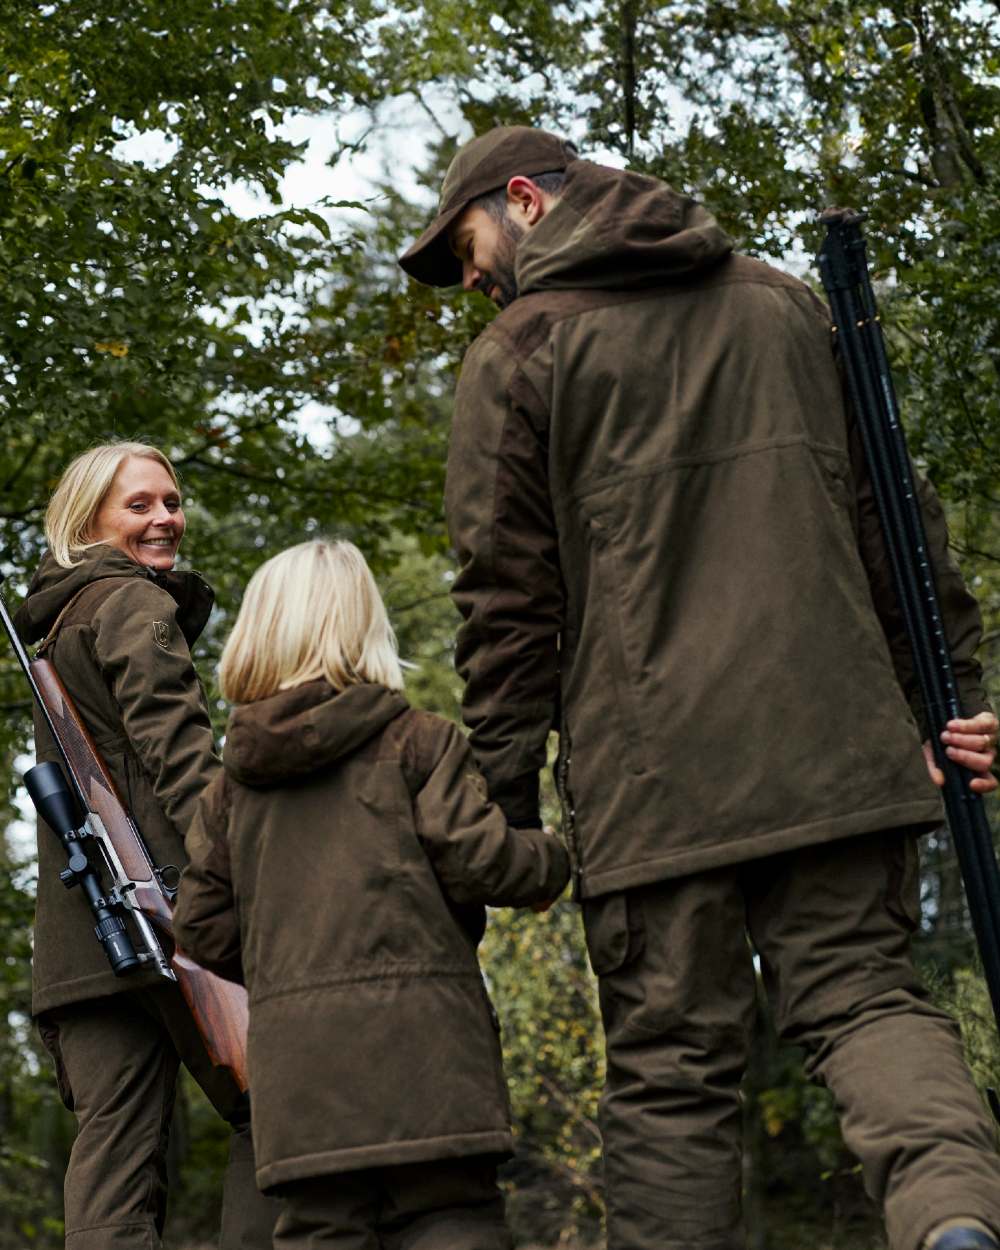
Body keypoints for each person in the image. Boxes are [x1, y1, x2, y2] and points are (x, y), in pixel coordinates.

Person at [398, 125, 1000, 1250]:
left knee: (672, 1073)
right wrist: (947, 701)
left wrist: (503, 806)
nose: (471, 281)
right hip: (836, 751)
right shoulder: (784, 305)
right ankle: (954, 1221)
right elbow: (894, 515)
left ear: (523, 200)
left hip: (652, 781)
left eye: (467, 250)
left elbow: (506, 606)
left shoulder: (520, 356)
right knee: (868, 1003)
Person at [172, 538, 570, 1250]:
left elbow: (200, 928)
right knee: (452, 1225)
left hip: (302, 1084)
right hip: (431, 1064)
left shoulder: (231, 791)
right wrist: (554, 859)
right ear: (365, 627)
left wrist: (285, 965)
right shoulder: (418, 743)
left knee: (321, 1232)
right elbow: (484, 863)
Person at [14, 442, 277, 1250]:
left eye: (171, 501)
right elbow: (182, 757)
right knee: (277, 1115)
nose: (165, 518)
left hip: (84, 945)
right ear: (87, 522)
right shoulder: (130, 602)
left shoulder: (56, 626)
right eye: (139, 505)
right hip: (172, 915)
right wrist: (243, 884)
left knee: (112, 1171)